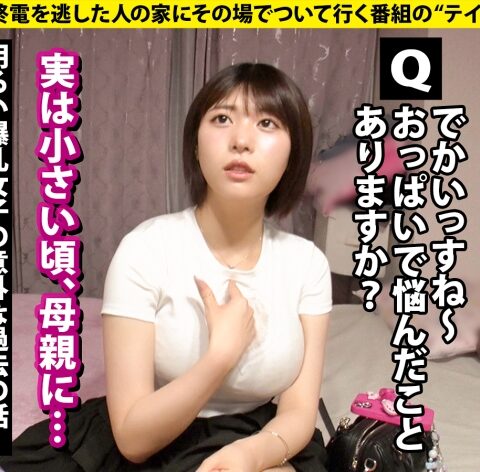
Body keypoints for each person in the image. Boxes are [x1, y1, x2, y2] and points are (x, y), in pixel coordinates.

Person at [1, 63, 331, 472]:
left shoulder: (307, 264)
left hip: (261, 436)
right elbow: (133, 440)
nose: (241, 141)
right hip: (157, 432)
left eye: (267, 123)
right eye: (222, 118)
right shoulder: (145, 249)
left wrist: (249, 455)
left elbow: (299, 411)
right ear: (195, 144)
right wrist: (220, 356)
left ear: (293, 152)